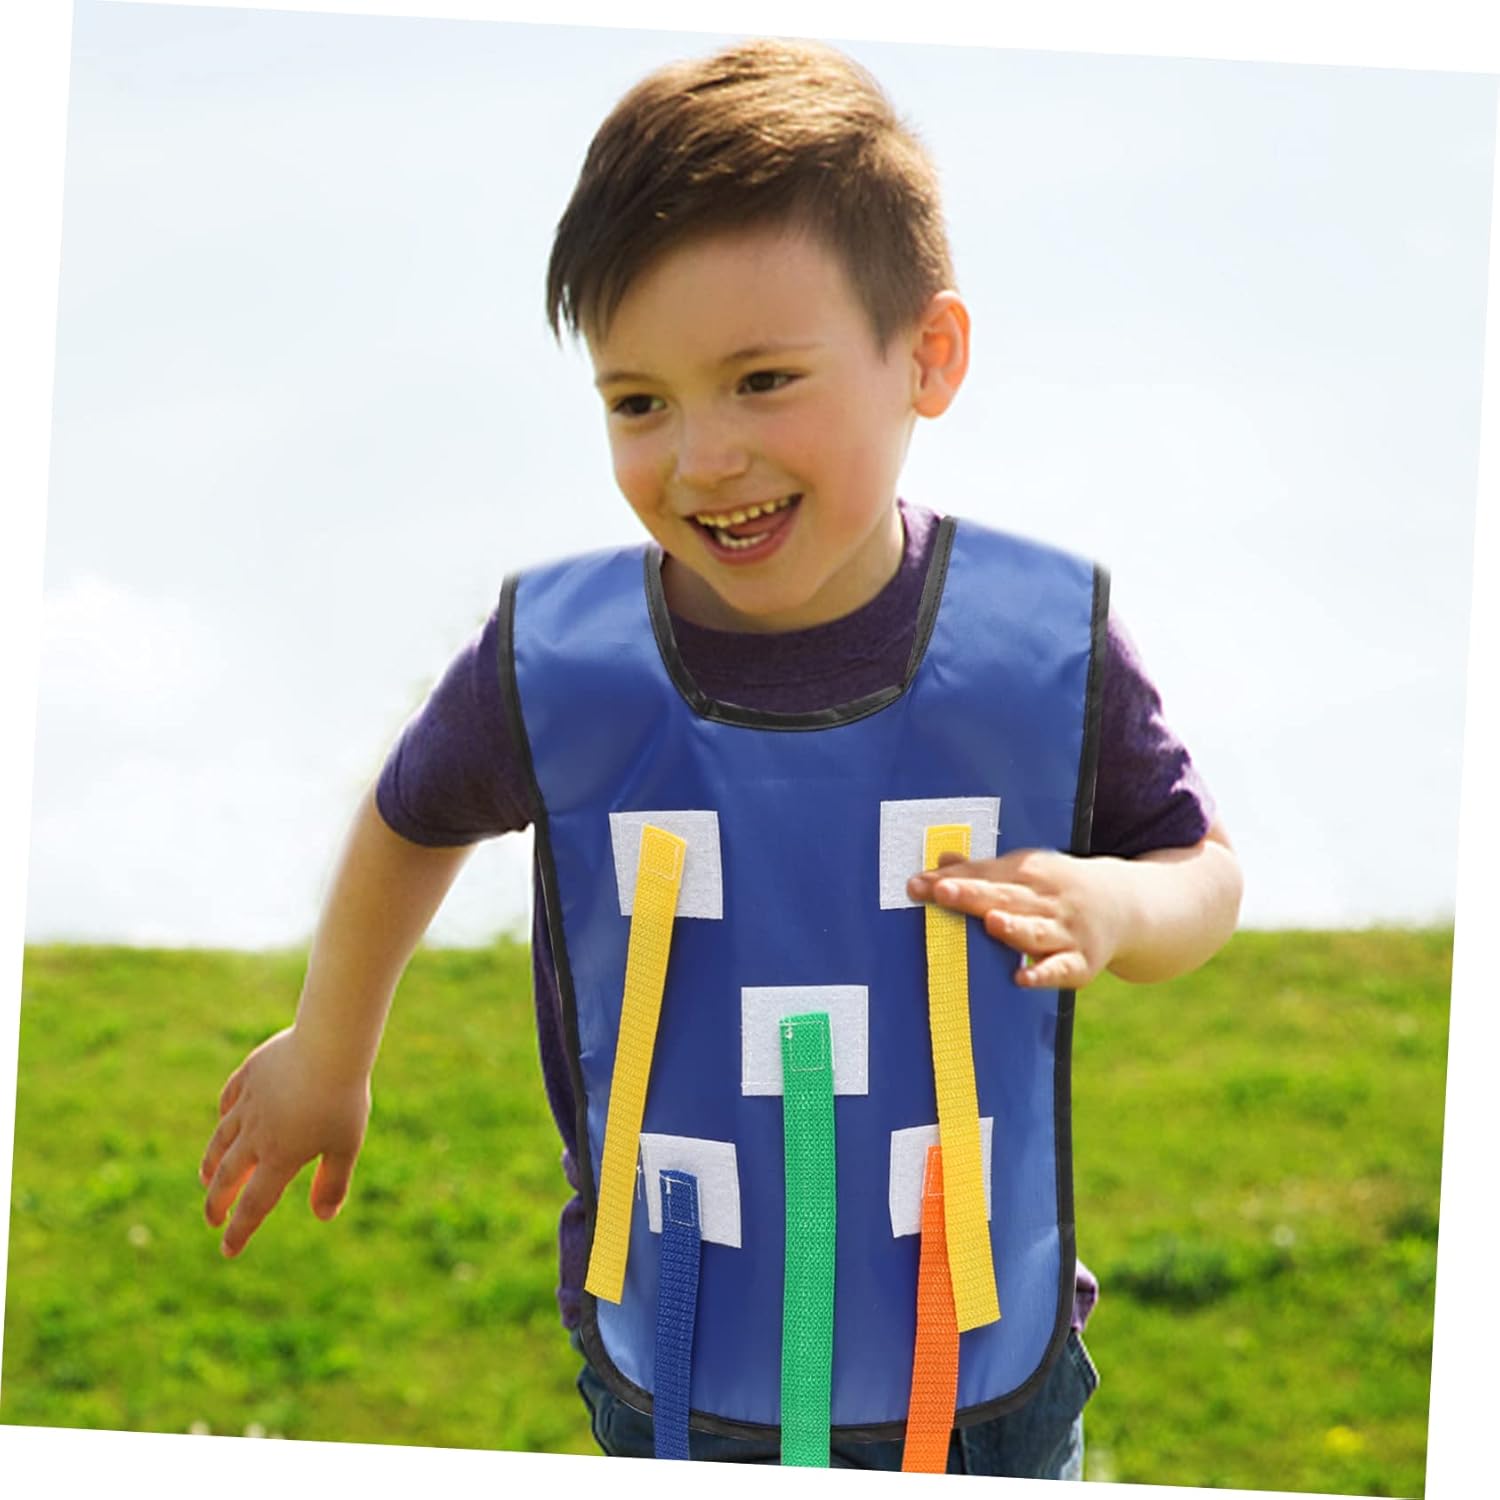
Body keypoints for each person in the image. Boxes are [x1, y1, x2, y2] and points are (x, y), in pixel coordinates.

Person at [199, 38, 1242, 1478]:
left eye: (761, 380)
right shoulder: (561, 662)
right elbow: (409, 817)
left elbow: (1202, 870)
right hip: (675, 1377)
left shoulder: (1038, 646)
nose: (701, 459)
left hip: (985, 1393)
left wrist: (1122, 906)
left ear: (928, 357)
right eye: (639, 401)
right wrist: (331, 1049)